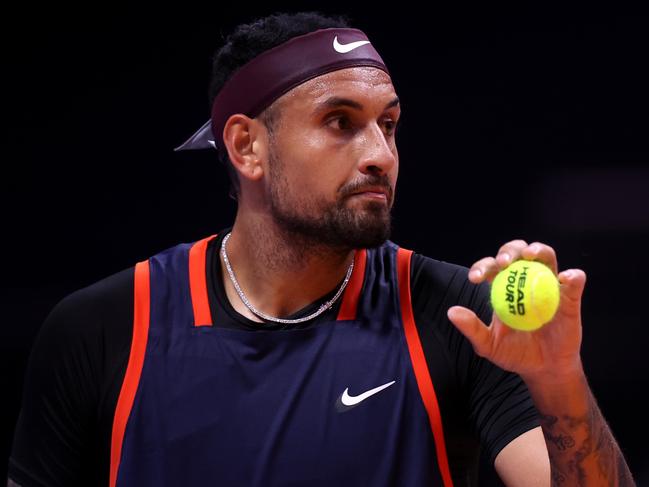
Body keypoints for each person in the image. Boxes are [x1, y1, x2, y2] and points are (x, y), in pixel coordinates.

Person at [7, 11, 635, 487]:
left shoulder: (460, 318)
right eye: (340, 122)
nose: (380, 155)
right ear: (247, 146)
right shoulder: (103, 328)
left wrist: (557, 379)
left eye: (388, 124)